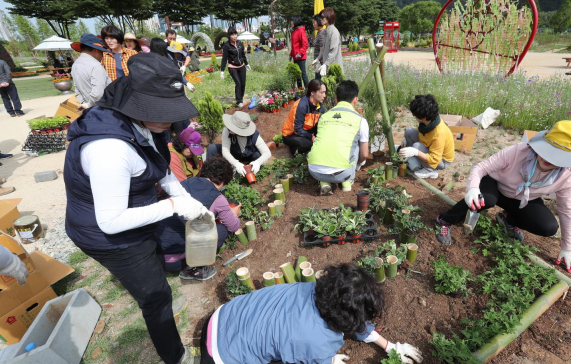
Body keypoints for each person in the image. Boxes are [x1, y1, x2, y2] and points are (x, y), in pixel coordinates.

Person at [64, 53, 208, 364]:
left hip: (136, 212)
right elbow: (112, 222)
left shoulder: (146, 125)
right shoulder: (109, 150)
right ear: (137, 105)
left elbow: (160, 164)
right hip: (108, 236)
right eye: (162, 113)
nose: (168, 121)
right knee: (154, 297)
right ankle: (176, 356)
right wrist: (173, 205)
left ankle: (164, 296)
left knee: (155, 257)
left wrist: (182, 194)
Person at [435, 121, 571, 273]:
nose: (547, 159)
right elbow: (481, 167)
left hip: (524, 198)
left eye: (557, 157)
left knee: (548, 227)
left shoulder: (567, 177)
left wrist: (569, 247)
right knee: (486, 199)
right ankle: (445, 219)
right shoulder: (519, 151)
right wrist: (473, 188)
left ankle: (507, 218)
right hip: (496, 185)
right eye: (548, 151)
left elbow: (568, 211)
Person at [200, 263, 423, 364]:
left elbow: (353, 318)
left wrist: (389, 346)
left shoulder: (314, 289)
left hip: (223, 316)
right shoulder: (314, 343)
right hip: (222, 356)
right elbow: (315, 350)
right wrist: (328, 360)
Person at [154, 155, 240, 280]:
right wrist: (233, 213)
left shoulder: (183, 184)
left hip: (155, 252)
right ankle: (193, 268)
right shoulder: (217, 197)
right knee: (221, 230)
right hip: (174, 261)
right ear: (223, 181)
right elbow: (234, 226)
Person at [308, 80, 369, 195]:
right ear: (355, 99)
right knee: (354, 146)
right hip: (342, 172)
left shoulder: (324, 116)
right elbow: (364, 154)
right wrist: (357, 165)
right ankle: (347, 181)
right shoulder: (360, 120)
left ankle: (324, 183)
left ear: (336, 99)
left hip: (314, 170)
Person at [398, 95, 454, 179]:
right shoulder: (430, 120)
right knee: (409, 132)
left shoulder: (439, 133)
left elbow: (435, 159)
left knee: (416, 146)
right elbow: (422, 132)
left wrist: (415, 151)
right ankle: (417, 159)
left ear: (422, 117)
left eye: (415, 114)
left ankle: (430, 170)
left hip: (441, 161)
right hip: (430, 146)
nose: (414, 116)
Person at [206, 111, 271, 177]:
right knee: (212, 149)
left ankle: (251, 172)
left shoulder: (254, 134)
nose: (229, 129)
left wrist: (258, 162)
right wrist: (236, 164)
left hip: (250, 157)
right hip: (234, 154)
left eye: (233, 128)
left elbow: (267, 153)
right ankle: (212, 176)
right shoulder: (227, 131)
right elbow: (225, 151)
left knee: (258, 154)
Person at [281, 79, 326, 156]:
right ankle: (293, 149)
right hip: (291, 134)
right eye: (321, 92)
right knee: (307, 145)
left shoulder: (319, 106)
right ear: (312, 93)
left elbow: (319, 125)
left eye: (325, 92)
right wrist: (311, 138)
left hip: (305, 132)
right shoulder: (302, 105)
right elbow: (297, 129)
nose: (324, 95)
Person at [70, 33, 112, 109]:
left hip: (89, 107)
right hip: (103, 107)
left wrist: (84, 103)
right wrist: (89, 104)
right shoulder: (96, 66)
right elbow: (98, 94)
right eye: (102, 52)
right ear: (96, 50)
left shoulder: (75, 64)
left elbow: (77, 88)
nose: (102, 56)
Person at [220, 27, 251, 107]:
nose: (234, 36)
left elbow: (243, 55)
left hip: (241, 66)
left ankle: (241, 98)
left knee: (243, 83)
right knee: (238, 83)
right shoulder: (226, 46)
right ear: (229, 36)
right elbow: (224, 58)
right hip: (232, 67)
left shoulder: (240, 43)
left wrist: (247, 64)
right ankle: (239, 101)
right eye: (232, 35)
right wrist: (222, 71)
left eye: (235, 34)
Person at [313, 7, 343, 77]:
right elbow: (323, 49)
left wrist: (326, 64)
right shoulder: (327, 31)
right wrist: (318, 58)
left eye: (322, 17)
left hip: (334, 68)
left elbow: (333, 51)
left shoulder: (334, 31)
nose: (320, 19)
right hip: (327, 66)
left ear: (329, 17)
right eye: (320, 17)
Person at [289, 15, 309, 89]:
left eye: (292, 21)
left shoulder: (301, 31)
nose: (291, 22)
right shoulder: (294, 31)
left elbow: (305, 44)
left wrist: (299, 53)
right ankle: (300, 90)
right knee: (297, 75)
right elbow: (294, 45)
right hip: (295, 57)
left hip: (301, 57)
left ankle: (308, 90)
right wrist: (291, 54)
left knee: (303, 74)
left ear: (295, 21)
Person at [311, 14, 326, 80]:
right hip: (319, 63)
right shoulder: (319, 32)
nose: (313, 24)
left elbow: (322, 49)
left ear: (319, 21)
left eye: (314, 22)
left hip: (321, 64)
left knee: (319, 84)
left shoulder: (322, 33)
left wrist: (318, 61)